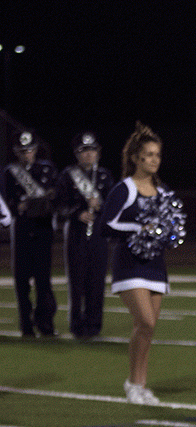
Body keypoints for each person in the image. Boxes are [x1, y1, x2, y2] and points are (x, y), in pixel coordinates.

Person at [98, 122, 174, 405]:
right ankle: (132, 383)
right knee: (144, 321)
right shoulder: (125, 189)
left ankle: (140, 385)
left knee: (149, 328)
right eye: (149, 155)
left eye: (157, 155)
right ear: (135, 158)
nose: (154, 160)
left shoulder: (164, 192)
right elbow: (106, 226)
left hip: (155, 265)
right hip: (129, 265)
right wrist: (138, 229)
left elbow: (169, 227)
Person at [55, 132, 115, 339]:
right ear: (77, 154)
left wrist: (100, 207)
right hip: (76, 234)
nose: (89, 155)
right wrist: (77, 212)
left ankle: (94, 325)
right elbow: (60, 206)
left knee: (97, 282)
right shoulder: (67, 176)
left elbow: (114, 206)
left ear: (98, 153)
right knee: (77, 281)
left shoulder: (105, 176)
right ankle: (77, 325)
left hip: (98, 234)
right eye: (84, 151)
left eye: (92, 151)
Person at [2, 130, 58, 337]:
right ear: (17, 152)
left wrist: (35, 203)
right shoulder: (10, 172)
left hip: (42, 229)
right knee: (21, 279)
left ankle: (45, 324)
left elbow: (53, 197)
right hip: (23, 229)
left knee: (44, 280)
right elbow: (9, 201)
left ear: (35, 150)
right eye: (23, 151)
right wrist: (21, 206)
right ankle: (26, 324)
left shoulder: (47, 169)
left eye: (30, 150)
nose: (27, 154)